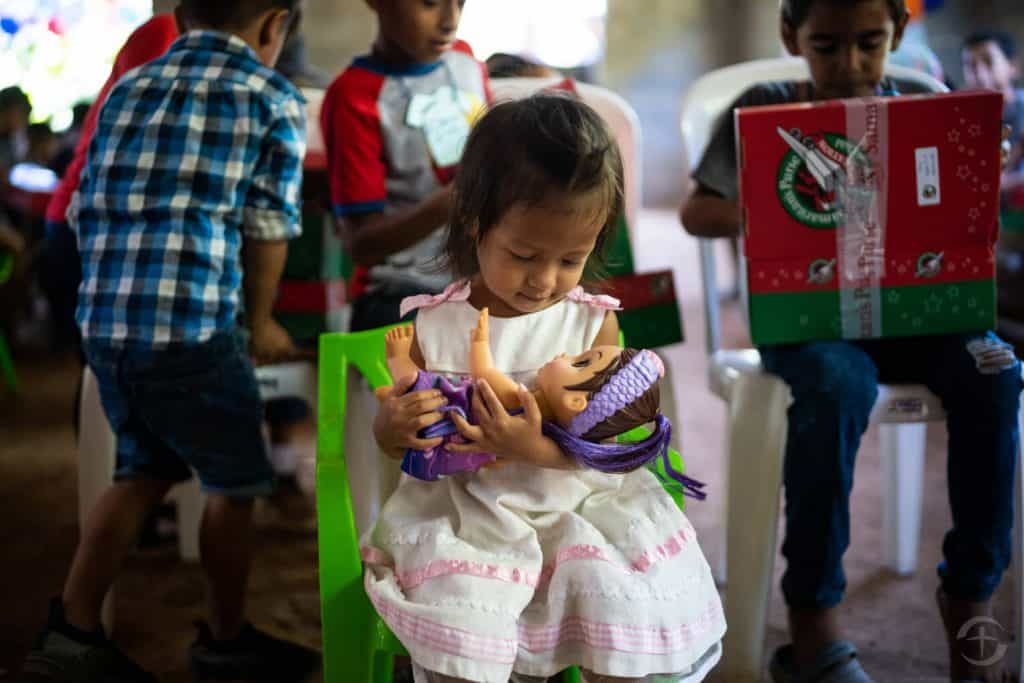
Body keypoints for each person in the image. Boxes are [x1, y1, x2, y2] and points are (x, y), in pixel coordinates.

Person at [680, 2, 1021, 682]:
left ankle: (971, 597)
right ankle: (813, 617)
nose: (851, 65)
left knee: (996, 370)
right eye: (827, 45)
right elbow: (696, 211)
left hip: (923, 321)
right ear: (791, 38)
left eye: (870, 43)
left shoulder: (923, 101)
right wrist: (770, 209)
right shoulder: (765, 107)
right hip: (812, 327)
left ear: (896, 32)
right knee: (836, 386)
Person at [365, 93, 725, 683]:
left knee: (617, 594)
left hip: (575, 500)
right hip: (467, 513)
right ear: (475, 224)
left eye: (571, 259)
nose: (544, 281)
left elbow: (606, 447)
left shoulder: (591, 322)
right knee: (468, 622)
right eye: (524, 255)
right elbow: (409, 434)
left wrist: (531, 449)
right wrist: (392, 427)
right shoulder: (436, 324)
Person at [21, 1, 319, 680]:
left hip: (107, 326)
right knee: (235, 479)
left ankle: (71, 633)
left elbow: (83, 204)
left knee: (141, 471)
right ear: (276, 26)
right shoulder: (271, 94)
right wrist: (264, 319)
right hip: (194, 333)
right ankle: (225, 638)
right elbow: (268, 225)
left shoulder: (130, 87)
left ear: (181, 17)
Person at [320, 0, 491, 332]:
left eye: (460, 2)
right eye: (429, 3)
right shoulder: (354, 96)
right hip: (403, 292)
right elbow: (363, 245)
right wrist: (456, 198)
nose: (450, 21)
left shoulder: (466, 61)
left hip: (482, 280)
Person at [41, 13, 180, 352]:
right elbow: (144, 134)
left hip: (105, 219)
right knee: (107, 369)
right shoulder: (166, 32)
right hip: (87, 220)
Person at [963, 31, 1024, 191]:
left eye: (988, 61)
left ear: (1013, 66)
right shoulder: (962, 124)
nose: (980, 75)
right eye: (971, 66)